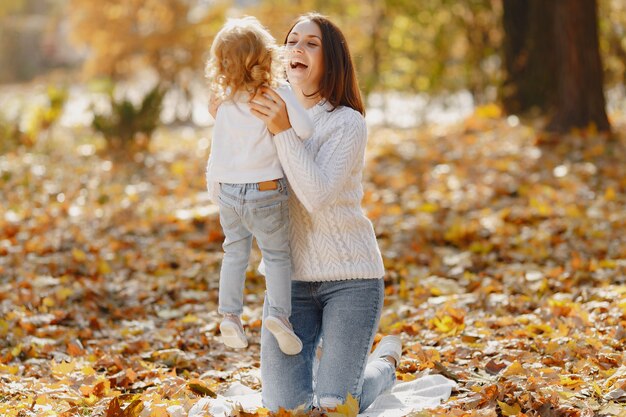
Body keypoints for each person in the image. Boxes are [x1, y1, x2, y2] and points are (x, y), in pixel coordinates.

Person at [247, 12, 402, 412]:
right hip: (288, 283)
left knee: (335, 406)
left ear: (331, 59)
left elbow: (315, 195)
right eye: (292, 40)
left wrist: (282, 130)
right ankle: (341, 374)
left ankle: (382, 367)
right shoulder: (267, 109)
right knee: (287, 408)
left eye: (311, 43)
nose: (297, 47)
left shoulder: (346, 123)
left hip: (350, 280)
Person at [205, 16, 314, 356]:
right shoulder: (277, 93)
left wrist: (215, 191)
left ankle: (230, 316)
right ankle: (280, 317)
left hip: (228, 192)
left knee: (234, 252)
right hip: (266, 189)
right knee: (277, 255)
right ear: (268, 56)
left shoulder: (223, 102)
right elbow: (306, 129)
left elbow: (219, 147)